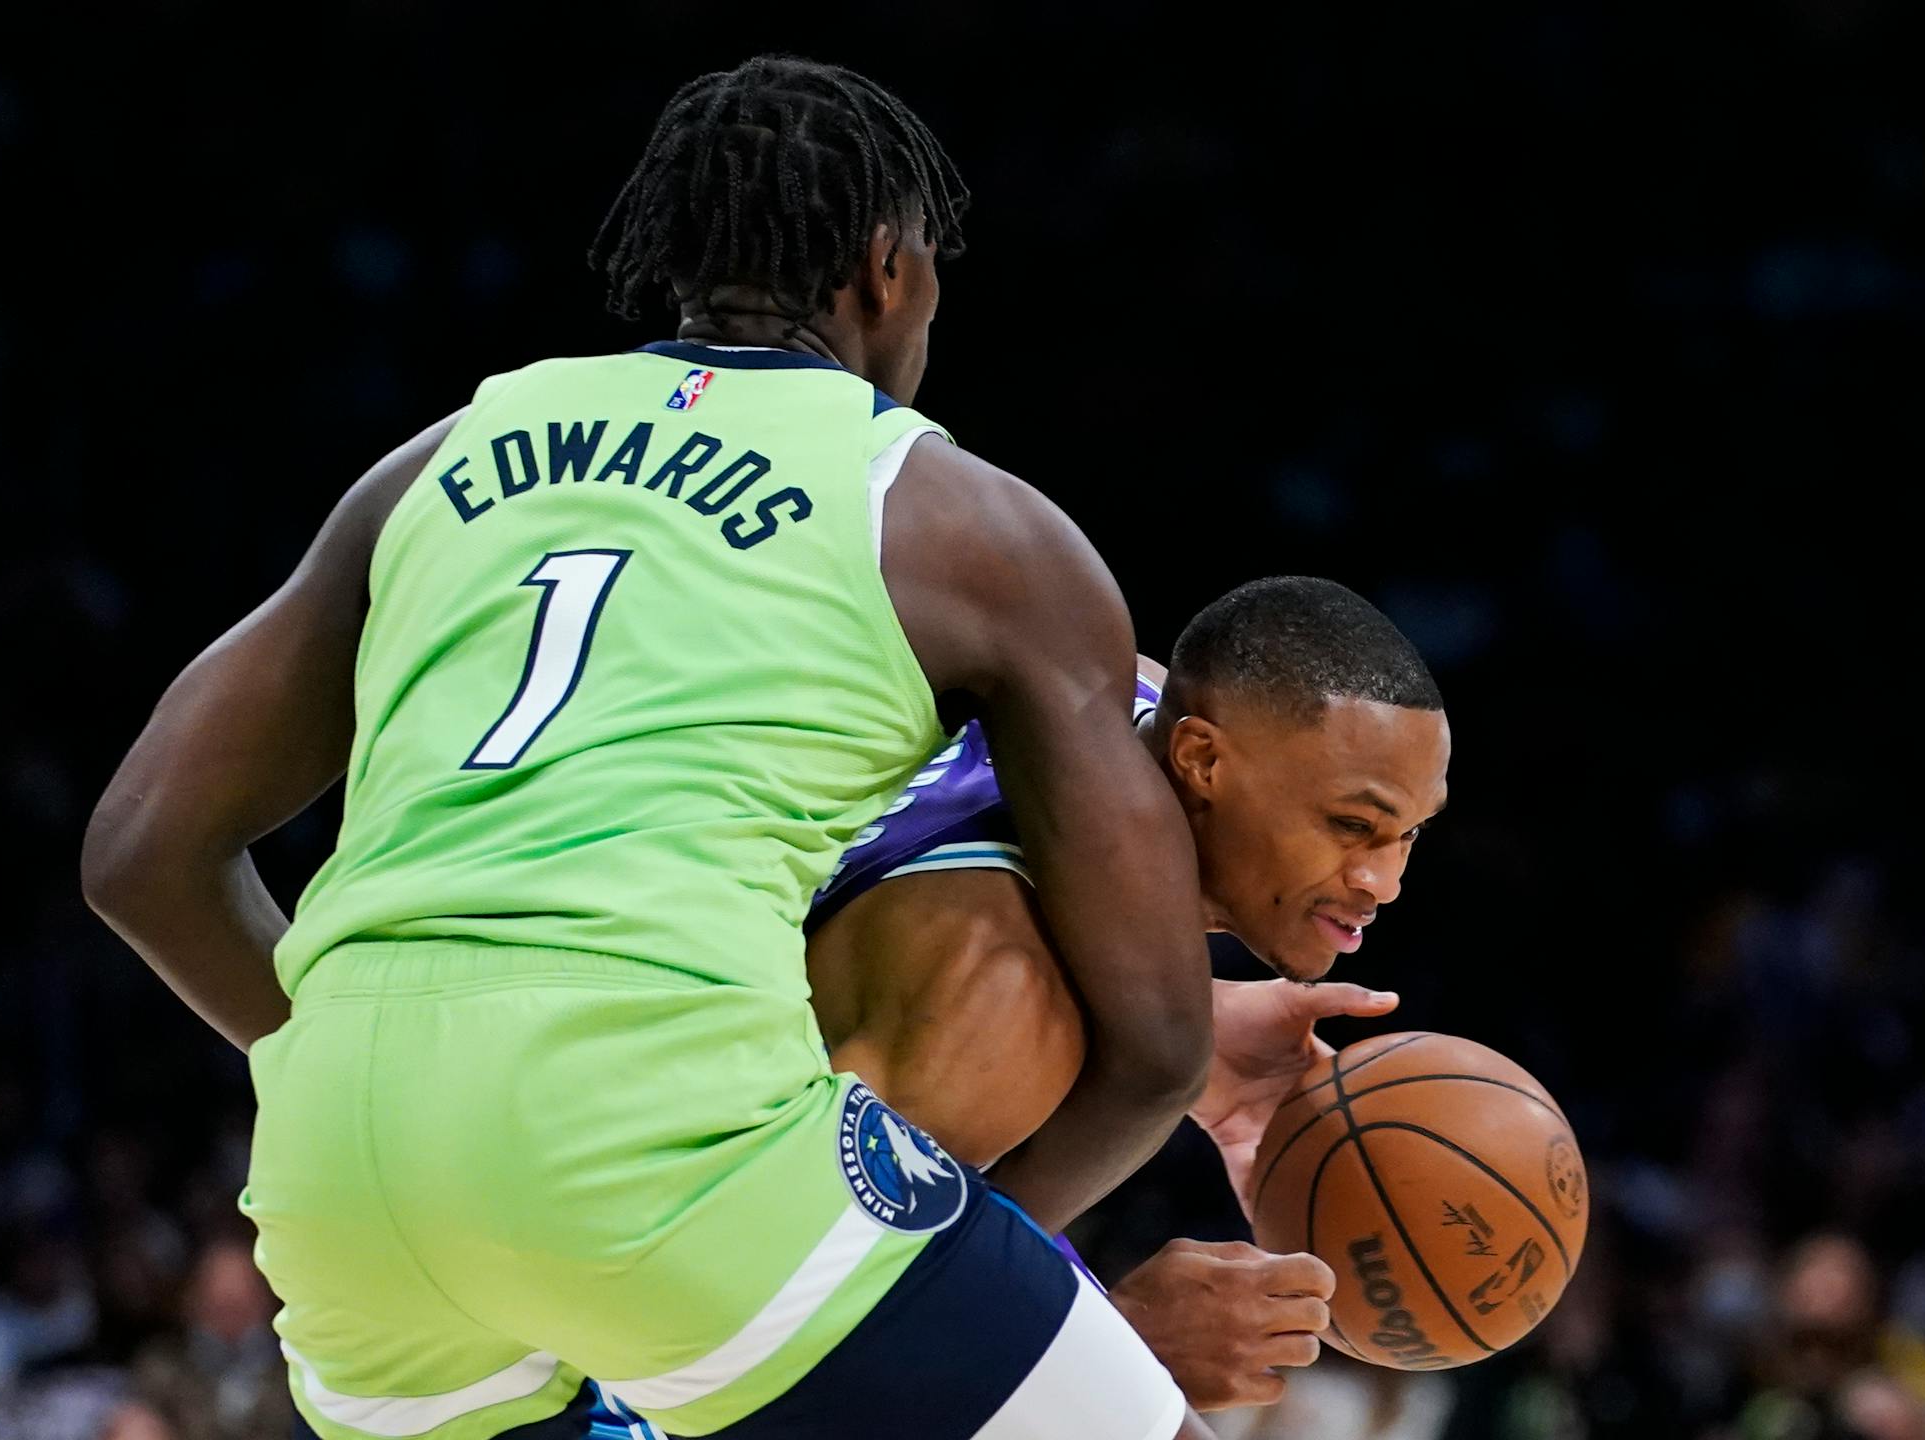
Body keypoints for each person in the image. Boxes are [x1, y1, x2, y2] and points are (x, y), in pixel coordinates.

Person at [86, 54, 1228, 1440]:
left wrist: (352, 1060)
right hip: (660, 1137)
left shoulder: (437, 461)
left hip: (340, 1172)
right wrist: (962, 1253)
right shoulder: (968, 526)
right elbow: (1160, 1045)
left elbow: (141, 855)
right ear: (885, 270)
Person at [799, 575, 1449, 1409]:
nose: (1383, 881)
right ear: (1202, 761)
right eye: (1352, 826)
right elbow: (769, 1331)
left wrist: (1194, 1005)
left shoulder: (1120, 697)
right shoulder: (1002, 1006)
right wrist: (1122, 1342)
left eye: (1411, 833)